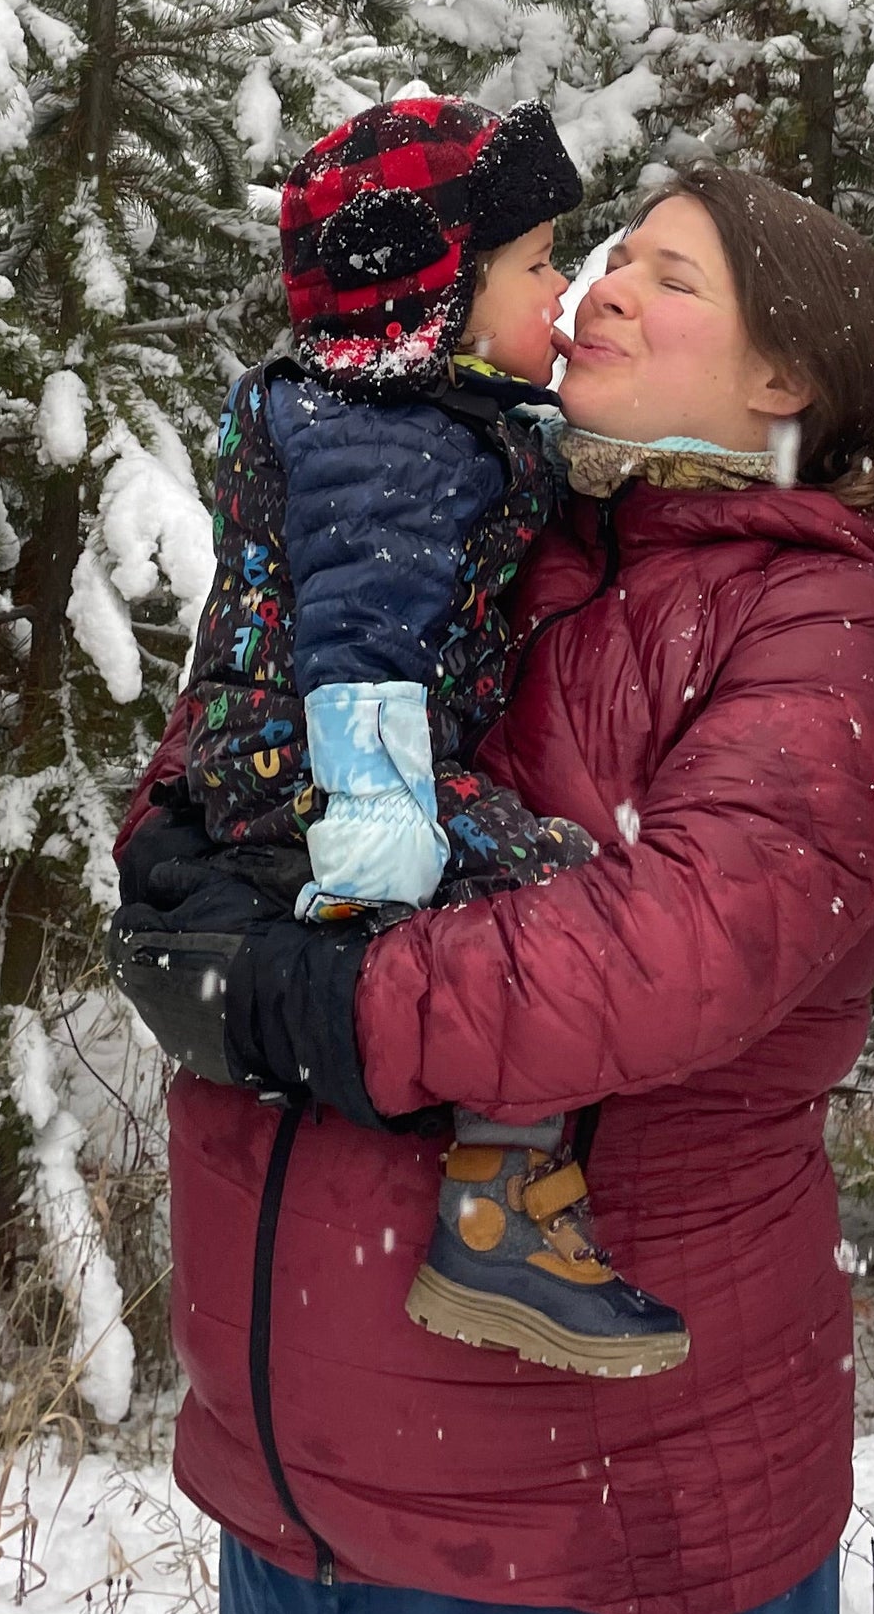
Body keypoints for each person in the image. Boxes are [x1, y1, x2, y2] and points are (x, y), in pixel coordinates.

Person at [114, 162, 874, 1614]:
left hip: (586, 1549)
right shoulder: (475, 525)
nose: (606, 284)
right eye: (612, 255)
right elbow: (240, 754)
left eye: (673, 275)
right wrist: (187, 867)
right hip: (295, 1510)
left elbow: (673, 953)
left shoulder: (819, 627)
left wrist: (327, 1006)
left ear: (789, 375)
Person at [112, 95, 690, 1378]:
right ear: (426, 299)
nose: (562, 289)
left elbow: (499, 463)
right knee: (553, 906)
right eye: (537, 265)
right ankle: (498, 1206)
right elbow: (367, 633)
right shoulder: (386, 450)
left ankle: (499, 1188)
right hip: (317, 766)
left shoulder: (398, 415)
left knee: (535, 897)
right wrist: (379, 821)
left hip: (320, 753)